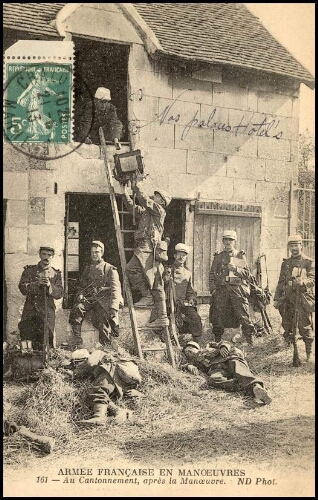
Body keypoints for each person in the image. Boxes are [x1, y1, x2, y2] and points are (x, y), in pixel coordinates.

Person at [122, 178, 172, 329]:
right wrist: (125, 191)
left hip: (149, 247)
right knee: (156, 281)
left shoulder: (159, 210)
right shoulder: (147, 213)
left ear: (162, 201)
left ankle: (147, 296)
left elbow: (144, 200)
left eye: (156, 196)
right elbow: (133, 207)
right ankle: (162, 316)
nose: (153, 196)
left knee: (132, 269)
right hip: (146, 247)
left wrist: (137, 185)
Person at [69, 241, 123, 348]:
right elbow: (81, 285)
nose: (94, 254)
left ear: (102, 253)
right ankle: (77, 340)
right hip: (89, 299)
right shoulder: (87, 269)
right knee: (77, 308)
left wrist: (113, 307)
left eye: (97, 252)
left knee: (102, 320)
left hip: (103, 301)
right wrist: (80, 294)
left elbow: (116, 289)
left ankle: (105, 348)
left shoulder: (109, 269)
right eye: (92, 252)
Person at [68, 348, 143, 425]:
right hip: (123, 379)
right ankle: (120, 412)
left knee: (98, 390)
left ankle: (99, 416)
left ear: (84, 359)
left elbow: (80, 371)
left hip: (111, 373)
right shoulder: (103, 357)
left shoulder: (93, 358)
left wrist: (71, 373)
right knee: (105, 394)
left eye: (77, 362)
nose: (76, 365)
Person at [182, 341, 272, 405]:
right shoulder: (195, 363)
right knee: (213, 379)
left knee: (239, 370)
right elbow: (182, 367)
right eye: (186, 352)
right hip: (216, 369)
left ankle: (255, 386)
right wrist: (188, 366)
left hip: (229, 359)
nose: (189, 351)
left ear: (196, 347)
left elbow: (224, 342)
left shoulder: (208, 346)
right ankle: (244, 387)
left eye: (190, 348)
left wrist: (224, 346)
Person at [209, 230, 254, 345]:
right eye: (226, 240)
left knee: (243, 314)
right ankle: (217, 340)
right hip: (221, 289)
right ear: (223, 241)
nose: (228, 242)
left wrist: (236, 269)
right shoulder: (218, 257)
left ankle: (249, 340)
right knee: (217, 315)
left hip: (236, 289)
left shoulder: (239, 256)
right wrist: (213, 289)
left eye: (231, 240)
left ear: (235, 241)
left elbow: (247, 275)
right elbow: (212, 275)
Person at [274, 234, 315, 360]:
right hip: (287, 297)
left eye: (296, 245)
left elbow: (313, 279)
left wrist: (303, 282)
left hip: (302, 298)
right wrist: (276, 298)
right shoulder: (286, 263)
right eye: (291, 246)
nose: (294, 248)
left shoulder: (308, 262)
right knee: (287, 322)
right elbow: (281, 282)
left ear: (301, 246)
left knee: (305, 325)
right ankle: (290, 344)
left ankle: (308, 353)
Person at [18, 246, 64, 349]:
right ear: (39, 254)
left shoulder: (56, 274)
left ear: (53, 257)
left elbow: (60, 293)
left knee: (47, 339)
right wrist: (36, 284)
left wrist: (49, 286)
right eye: (44, 254)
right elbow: (22, 288)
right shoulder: (29, 271)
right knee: (27, 338)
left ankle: (46, 362)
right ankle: (29, 363)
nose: (46, 257)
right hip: (31, 310)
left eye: (49, 255)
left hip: (47, 311)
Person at [164, 243, 202, 341]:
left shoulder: (187, 273)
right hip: (168, 303)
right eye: (179, 254)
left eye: (184, 255)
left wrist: (191, 299)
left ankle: (196, 342)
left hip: (182, 303)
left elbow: (190, 291)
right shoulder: (168, 270)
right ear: (174, 256)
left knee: (195, 318)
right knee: (167, 323)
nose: (181, 257)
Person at [17, 68, 59, 140]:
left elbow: (27, 91)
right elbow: (49, 90)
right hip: (37, 101)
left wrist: (20, 98)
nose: (36, 74)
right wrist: (56, 94)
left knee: (38, 118)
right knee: (34, 117)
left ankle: (52, 128)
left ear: (38, 74)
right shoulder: (44, 82)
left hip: (36, 102)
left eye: (37, 73)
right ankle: (36, 135)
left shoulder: (35, 81)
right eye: (37, 73)